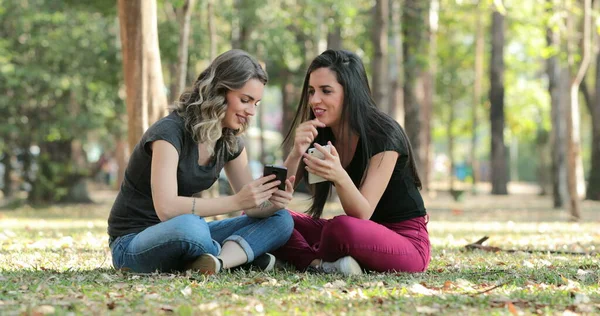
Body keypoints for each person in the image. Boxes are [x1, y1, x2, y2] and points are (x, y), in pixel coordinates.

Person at [107, 49, 295, 274]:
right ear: (218, 91)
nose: (251, 111)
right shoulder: (169, 133)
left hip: (186, 235)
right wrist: (237, 202)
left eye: (256, 103)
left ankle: (220, 262)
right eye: (245, 100)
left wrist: (271, 203)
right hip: (133, 242)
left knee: (281, 219)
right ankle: (240, 257)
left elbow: (253, 209)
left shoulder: (229, 141)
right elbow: (166, 209)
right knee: (192, 227)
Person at [273, 49, 430, 276]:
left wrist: (338, 175)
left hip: (405, 241)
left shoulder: (384, 134)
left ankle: (304, 257)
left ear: (351, 93)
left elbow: (361, 214)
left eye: (326, 91)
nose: (315, 100)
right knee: (271, 217)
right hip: (356, 236)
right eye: (311, 91)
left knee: (340, 228)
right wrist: (296, 152)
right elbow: (275, 196)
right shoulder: (321, 132)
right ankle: (317, 263)